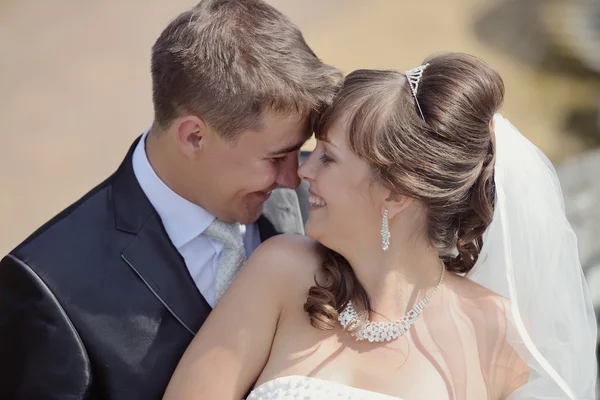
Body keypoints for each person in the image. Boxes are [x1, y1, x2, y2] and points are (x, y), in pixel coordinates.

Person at [163, 53, 597, 399]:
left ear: (396, 194)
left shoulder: (500, 332)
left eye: (328, 157)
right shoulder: (281, 271)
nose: (303, 172)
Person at [0, 1, 341, 399]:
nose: (292, 177)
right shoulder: (46, 286)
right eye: (275, 157)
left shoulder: (328, 202)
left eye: (298, 150)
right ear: (194, 136)